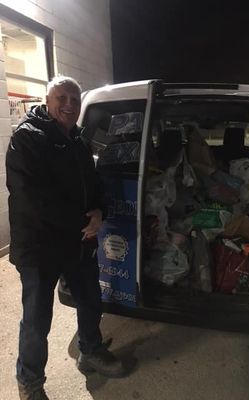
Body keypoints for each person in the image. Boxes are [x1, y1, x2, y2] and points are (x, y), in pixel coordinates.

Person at [6, 76, 126, 400]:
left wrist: (98, 211)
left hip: (78, 242)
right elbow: (32, 198)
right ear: (48, 100)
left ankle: (91, 350)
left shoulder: (78, 141)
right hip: (40, 245)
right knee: (36, 319)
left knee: (90, 301)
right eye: (62, 98)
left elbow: (93, 186)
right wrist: (81, 222)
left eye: (75, 98)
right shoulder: (27, 139)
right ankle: (30, 383)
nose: (70, 105)